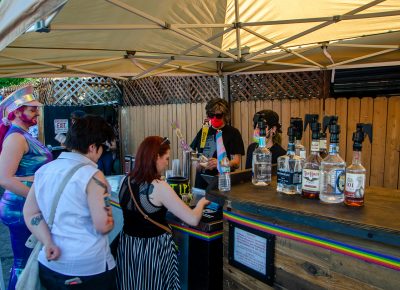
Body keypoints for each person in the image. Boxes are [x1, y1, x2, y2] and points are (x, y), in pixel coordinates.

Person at [23, 115, 116, 290]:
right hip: (87, 268)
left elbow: (31, 213)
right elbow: (103, 225)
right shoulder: (93, 176)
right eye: (104, 147)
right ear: (93, 147)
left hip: (49, 262)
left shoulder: (44, 170)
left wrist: (48, 242)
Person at [116, 136, 210, 290]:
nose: (167, 163)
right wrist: (201, 203)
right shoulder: (159, 186)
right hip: (152, 251)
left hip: (129, 247)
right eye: (166, 158)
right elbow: (193, 219)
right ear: (155, 157)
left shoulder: (126, 180)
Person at [0, 86, 53, 290]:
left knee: (30, 260)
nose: (37, 112)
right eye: (32, 109)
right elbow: (4, 179)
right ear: (16, 111)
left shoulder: (23, 135)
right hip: (20, 208)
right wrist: (36, 196)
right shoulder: (16, 138)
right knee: (23, 262)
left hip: (24, 206)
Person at [190, 98, 245, 189]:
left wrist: (219, 164)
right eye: (211, 115)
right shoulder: (204, 130)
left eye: (218, 115)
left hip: (221, 185)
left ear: (225, 115)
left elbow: (236, 162)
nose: (214, 118)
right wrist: (197, 163)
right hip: (201, 185)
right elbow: (193, 152)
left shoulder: (233, 133)